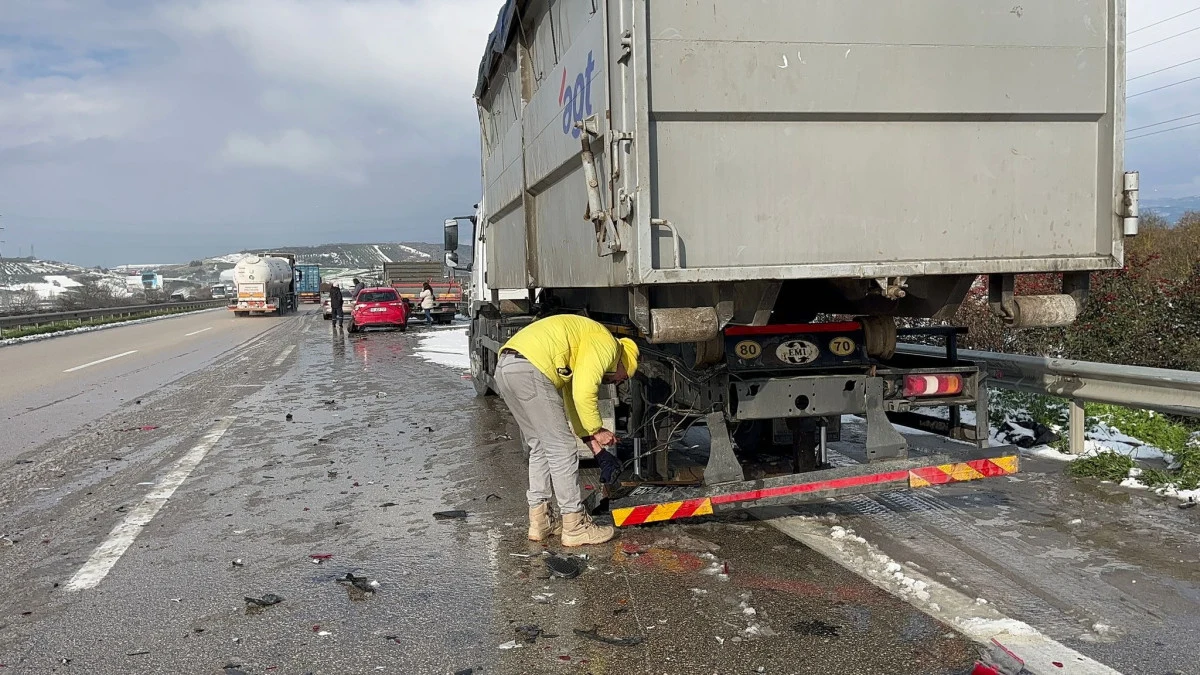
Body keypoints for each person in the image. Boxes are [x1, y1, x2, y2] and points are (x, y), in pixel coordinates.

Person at [493, 314, 639, 547]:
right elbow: (583, 394)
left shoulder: (585, 345)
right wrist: (598, 429)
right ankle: (575, 526)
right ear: (624, 362)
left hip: (507, 366)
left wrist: (597, 448)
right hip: (532, 368)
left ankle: (540, 520)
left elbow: (573, 403)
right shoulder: (608, 344)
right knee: (562, 449)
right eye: (623, 377)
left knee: (540, 444)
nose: (617, 383)